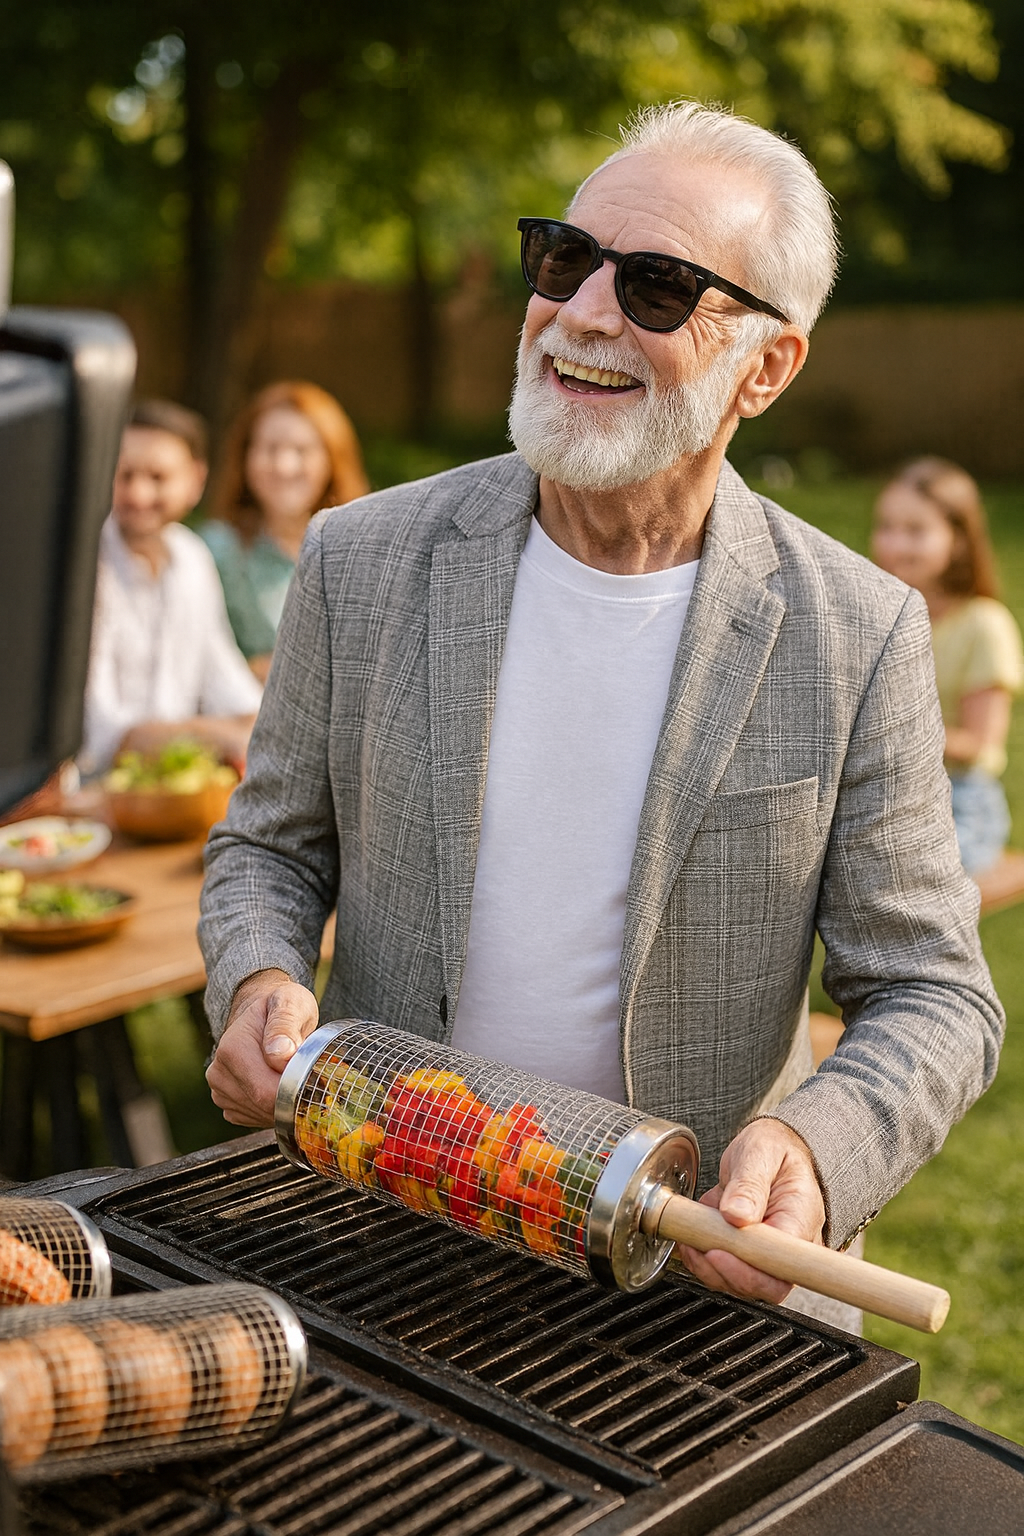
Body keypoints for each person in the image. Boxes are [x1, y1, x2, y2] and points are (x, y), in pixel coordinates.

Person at [199, 102, 1002, 1326]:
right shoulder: (359, 558)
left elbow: (934, 993)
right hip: (387, 1226)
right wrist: (255, 975)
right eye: (566, 259)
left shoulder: (860, 628)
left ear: (767, 366)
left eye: (659, 287)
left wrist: (818, 1149)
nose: (579, 312)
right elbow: (268, 846)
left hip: (692, 1272)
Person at [79, 400, 264, 776]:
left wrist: (254, 725)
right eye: (124, 475)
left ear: (196, 480)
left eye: (158, 478)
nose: (138, 494)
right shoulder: (81, 566)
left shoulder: (192, 557)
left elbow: (227, 682)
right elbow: (99, 734)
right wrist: (216, 734)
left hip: (175, 786)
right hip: (89, 796)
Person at [871, 458, 1024, 877]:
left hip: (961, 802)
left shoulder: (984, 625)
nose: (894, 544)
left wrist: (881, 732)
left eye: (916, 531)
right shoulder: (876, 614)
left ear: (957, 539)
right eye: (886, 526)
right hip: (883, 792)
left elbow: (978, 743)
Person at [200, 381, 369, 682]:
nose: (284, 465)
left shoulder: (364, 550)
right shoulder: (214, 550)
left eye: (302, 450)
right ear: (246, 457)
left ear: (332, 458)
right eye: (270, 449)